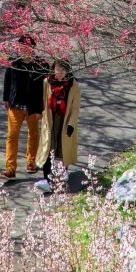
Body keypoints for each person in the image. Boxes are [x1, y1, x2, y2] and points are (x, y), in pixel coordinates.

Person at [2, 34, 47, 180]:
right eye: (21, 47)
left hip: (33, 106)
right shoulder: (13, 62)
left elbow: (43, 88)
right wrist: (5, 98)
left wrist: (41, 108)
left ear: (33, 48)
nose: (23, 50)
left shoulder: (40, 65)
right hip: (16, 104)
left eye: (27, 47)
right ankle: (10, 168)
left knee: (33, 134)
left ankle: (31, 161)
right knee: (12, 135)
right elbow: (7, 80)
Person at [35, 58, 80, 187]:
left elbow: (75, 107)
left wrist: (71, 124)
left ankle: (63, 175)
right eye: (57, 68)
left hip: (64, 120)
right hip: (50, 119)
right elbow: (42, 100)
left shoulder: (73, 86)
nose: (59, 72)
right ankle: (47, 178)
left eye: (63, 69)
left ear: (68, 71)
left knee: (62, 149)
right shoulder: (47, 82)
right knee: (48, 148)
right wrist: (41, 114)